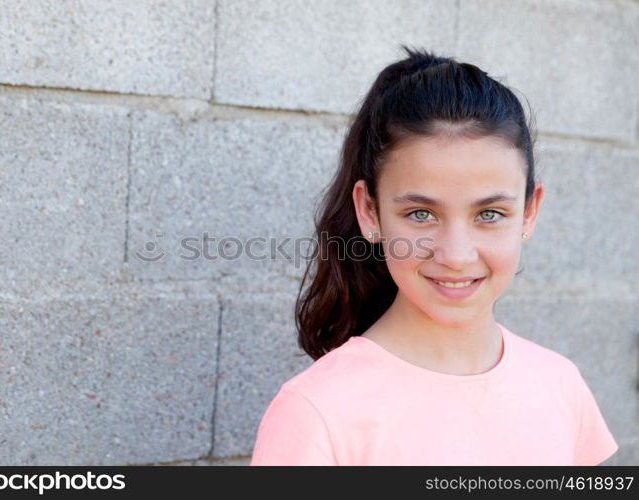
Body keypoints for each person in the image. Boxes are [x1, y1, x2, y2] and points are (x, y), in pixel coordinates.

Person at [249, 45, 619, 466]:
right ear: (370, 211)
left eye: (490, 213)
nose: (456, 255)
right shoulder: (316, 413)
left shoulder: (560, 385)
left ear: (529, 212)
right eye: (421, 214)